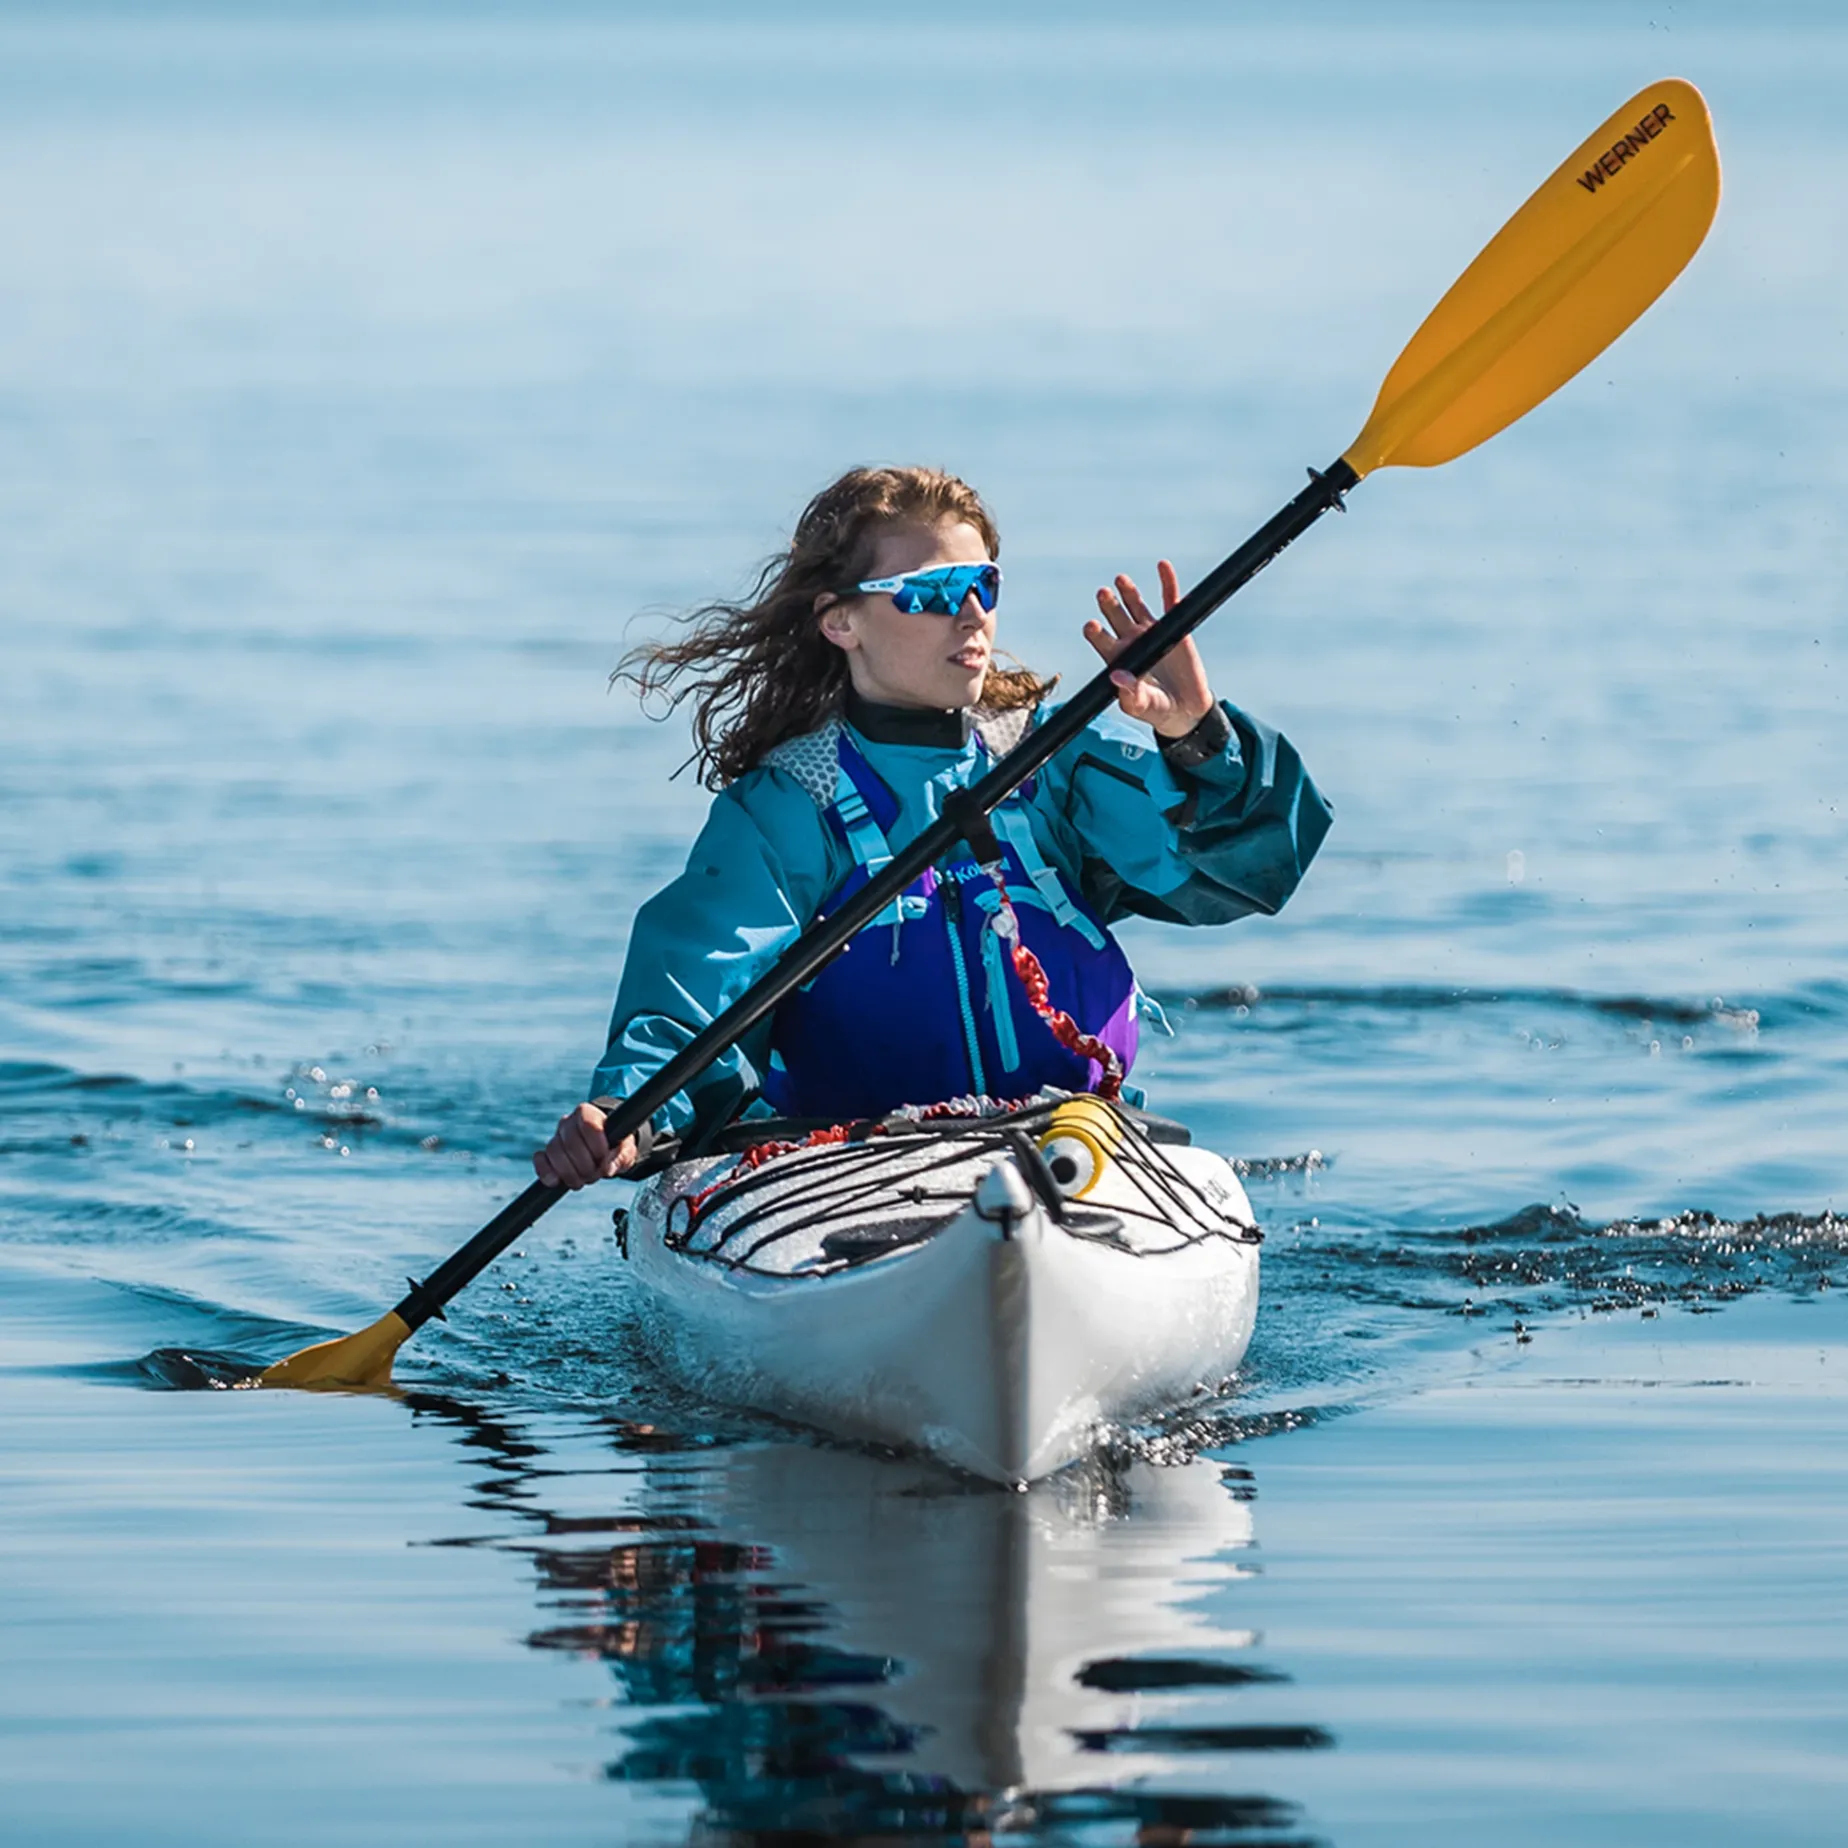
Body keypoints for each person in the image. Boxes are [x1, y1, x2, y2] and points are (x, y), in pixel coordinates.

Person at [535, 465, 1331, 1190]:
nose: (974, 614)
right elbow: (699, 990)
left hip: (1077, 1152)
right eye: (934, 591)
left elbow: (1247, 869)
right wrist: (627, 1110)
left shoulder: (1053, 766)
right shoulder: (790, 805)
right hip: (845, 1170)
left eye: (984, 583)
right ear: (841, 622)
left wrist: (1197, 735)